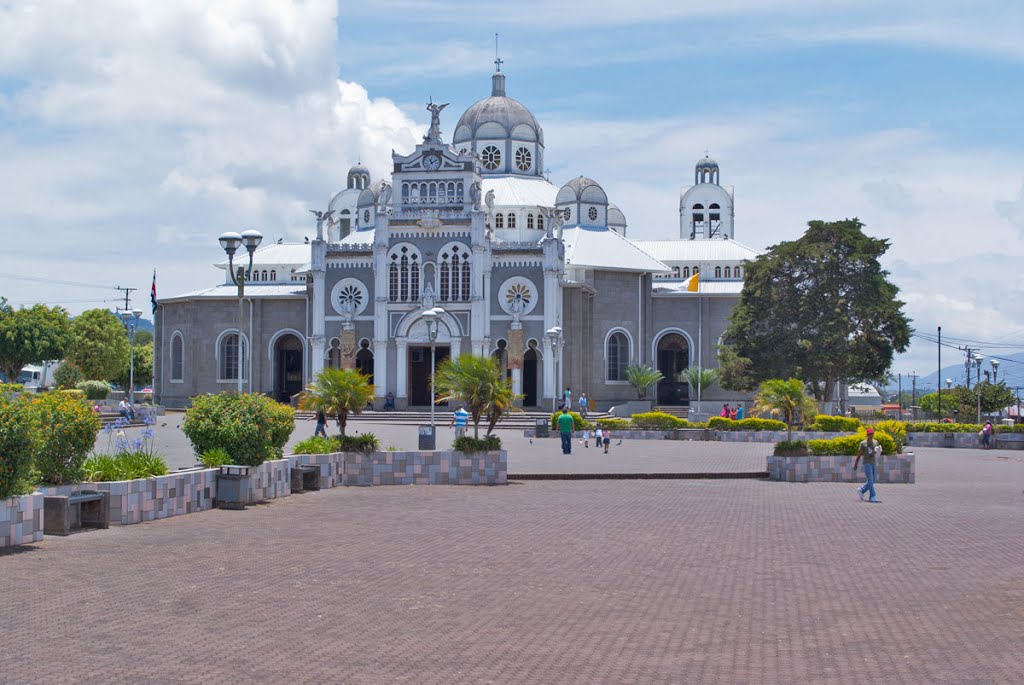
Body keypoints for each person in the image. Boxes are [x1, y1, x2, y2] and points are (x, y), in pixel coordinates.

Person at [854, 427, 881, 503]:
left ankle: (862, 490)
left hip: (873, 462)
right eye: (869, 434)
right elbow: (859, 454)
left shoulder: (875, 442)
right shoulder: (863, 443)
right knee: (870, 479)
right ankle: (872, 496)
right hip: (867, 463)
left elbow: (877, 452)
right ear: (867, 434)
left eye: (872, 434)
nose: (871, 435)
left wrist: (878, 450)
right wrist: (856, 464)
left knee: (874, 479)